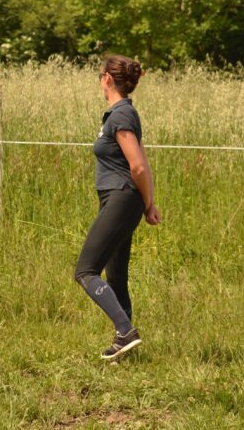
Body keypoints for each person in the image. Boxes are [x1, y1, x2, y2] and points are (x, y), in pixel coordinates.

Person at [74, 54, 161, 360]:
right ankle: (123, 343)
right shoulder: (120, 114)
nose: (99, 79)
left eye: (100, 74)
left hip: (122, 197)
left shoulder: (121, 115)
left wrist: (146, 201)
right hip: (123, 198)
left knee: (86, 271)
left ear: (108, 79)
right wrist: (148, 203)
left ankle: (125, 330)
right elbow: (141, 162)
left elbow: (138, 166)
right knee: (117, 276)